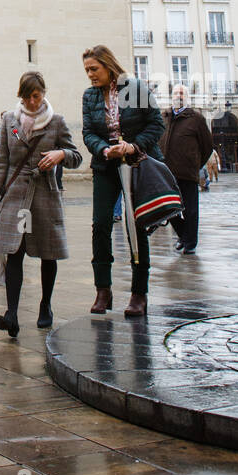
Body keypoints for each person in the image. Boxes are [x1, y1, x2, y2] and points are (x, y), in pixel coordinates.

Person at [0, 71, 82, 334]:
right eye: (27, 97)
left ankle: (45, 305)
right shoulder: (9, 121)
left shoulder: (57, 122)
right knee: (14, 252)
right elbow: (1, 163)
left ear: (43, 94)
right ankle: (12, 314)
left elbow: (77, 157)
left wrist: (61, 154)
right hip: (15, 195)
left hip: (45, 195)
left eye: (36, 96)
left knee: (48, 254)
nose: (32, 102)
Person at [82, 44, 164, 318]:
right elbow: (88, 132)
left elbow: (156, 124)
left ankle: (139, 293)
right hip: (105, 165)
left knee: (136, 225)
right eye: (87, 71)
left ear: (108, 65)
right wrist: (104, 149)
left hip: (136, 163)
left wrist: (132, 146)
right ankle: (102, 289)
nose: (90, 75)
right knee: (100, 224)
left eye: (94, 69)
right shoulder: (90, 96)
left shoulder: (136, 89)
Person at [162, 85, 214, 256]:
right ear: (171, 96)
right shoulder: (164, 117)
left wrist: (195, 163)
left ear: (188, 97)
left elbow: (207, 146)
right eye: (176, 93)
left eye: (182, 93)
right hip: (167, 173)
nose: (179, 95)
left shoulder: (196, 119)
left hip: (187, 172)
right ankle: (185, 235)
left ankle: (189, 243)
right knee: (168, 209)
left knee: (190, 210)